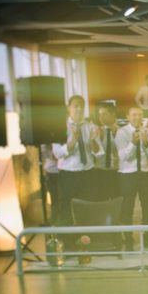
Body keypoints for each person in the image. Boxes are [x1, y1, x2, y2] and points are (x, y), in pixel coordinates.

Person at [115, 107, 148, 250]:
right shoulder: (121, 133)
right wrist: (133, 144)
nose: (137, 117)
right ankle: (128, 240)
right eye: (134, 115)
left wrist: (146, 143)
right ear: (128, 116)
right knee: (127, 208)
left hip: (145, 174)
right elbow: (123, 157)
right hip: (128, 174)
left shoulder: (147, 132)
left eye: (140, 115)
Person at [51, 95, 99, 225]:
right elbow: (57, 153)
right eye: (75, 106)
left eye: (82, 106)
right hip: (68, 174)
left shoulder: (90, 126)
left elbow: (97, 152)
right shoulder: (60, 127)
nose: (79, 109)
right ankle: (68, 242)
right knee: (66, 207)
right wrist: (74, 140)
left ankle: (85, 240)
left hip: (87, 172)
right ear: (68, 108)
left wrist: (94, 140)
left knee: (87, 207)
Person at [93, 101, 120, 200]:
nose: (101, 117)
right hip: (100, 172)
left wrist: (115, 135)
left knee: (117, 202)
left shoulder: (122, 131)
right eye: (99, 114)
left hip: (116, 172)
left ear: (113, 114)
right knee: (101, 202)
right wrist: (95, 139)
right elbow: (96, 153)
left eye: (104, 114)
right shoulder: (97, 131)